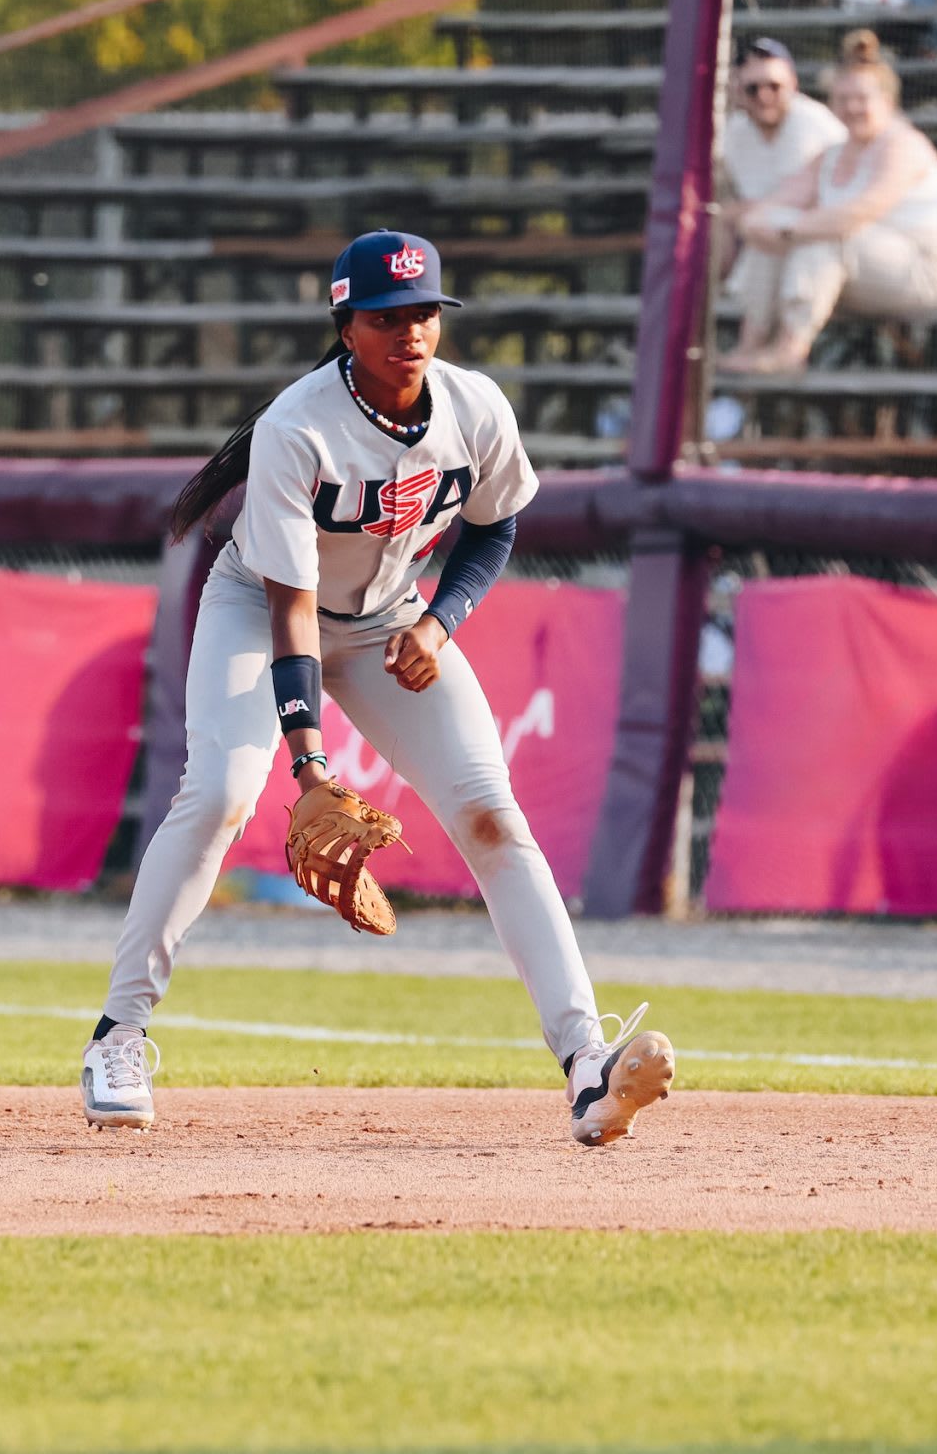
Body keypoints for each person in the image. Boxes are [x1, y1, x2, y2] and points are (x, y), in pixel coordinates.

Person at [76, 230, 676, 1147]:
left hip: (391, 616)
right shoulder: (299, 427)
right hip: (263, 608)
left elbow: (495, 526)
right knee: (221, 793)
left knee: (491, 815)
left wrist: (439, 623)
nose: (411, 331)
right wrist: (309, 762)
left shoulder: (474, 406)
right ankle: (118, 1034)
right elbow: (292, 609)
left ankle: (587, 1065)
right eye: (388, 316)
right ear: (346, 324)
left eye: (424, 312)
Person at [720, 30, 937, 375]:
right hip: (859, 273)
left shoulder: (905, 146)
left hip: (924, 277)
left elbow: (855, 216)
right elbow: (772, 206)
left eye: (861, 98)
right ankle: (751, 343)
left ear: (887, 100)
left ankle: (790, 350)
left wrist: (784, 228)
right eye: (842, 99)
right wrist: (760, 224)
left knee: (820, 236)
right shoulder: (832, 155)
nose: (851, 108)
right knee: (782, 232)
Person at [717, 39, 848, 308]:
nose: (764, 96)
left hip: (821, 245)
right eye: (753, 88)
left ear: (793, 84)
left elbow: (828, 203)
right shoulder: (735, 132)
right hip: (766, 242)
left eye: (774, 86)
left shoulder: (815, 124)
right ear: (738, 90)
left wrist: (738, 212)